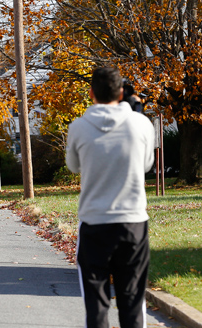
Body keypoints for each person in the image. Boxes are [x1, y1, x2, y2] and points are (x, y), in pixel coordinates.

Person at [66, 67, 155, 328]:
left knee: (96, 305)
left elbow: (73, 166)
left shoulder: (79, 127)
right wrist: (136, 112)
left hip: (94, 224)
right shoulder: (141, 124)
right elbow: (147, 164)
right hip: (133, 223)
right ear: (120, 92)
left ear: (91, 93)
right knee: (132, 301)